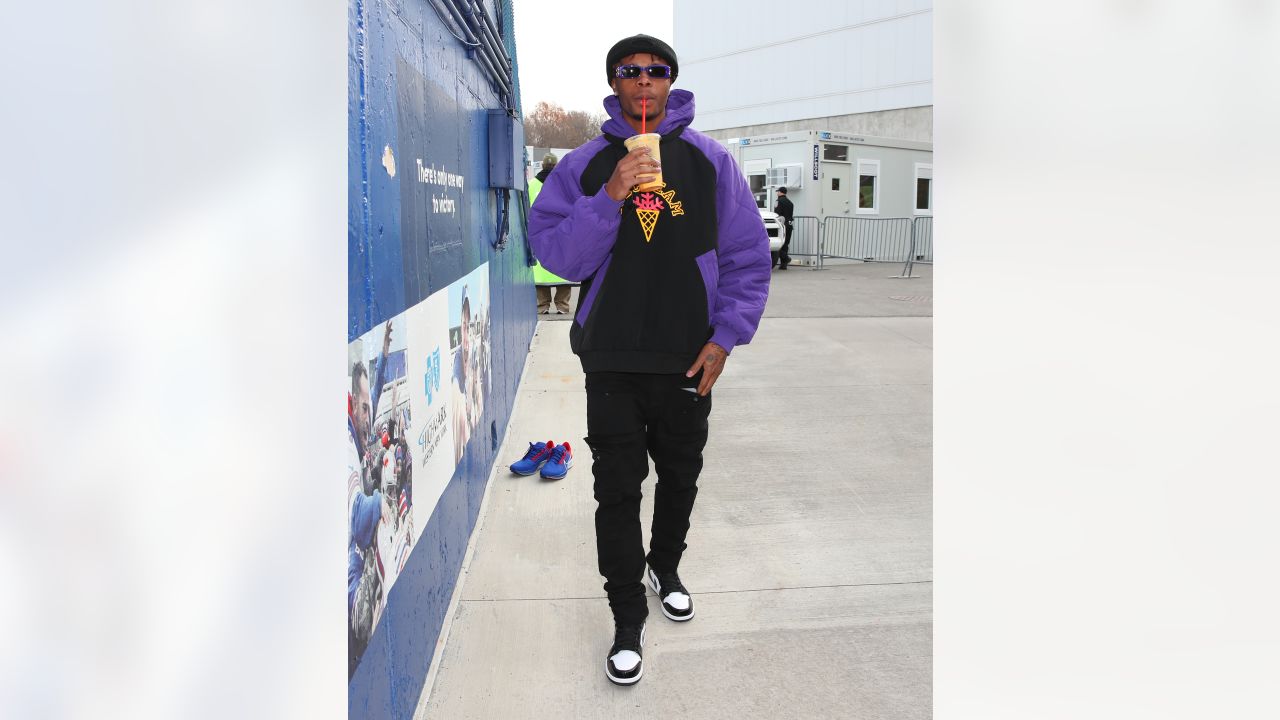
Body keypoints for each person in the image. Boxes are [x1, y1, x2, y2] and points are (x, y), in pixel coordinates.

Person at [528, 34, 770, 686]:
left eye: (655, 71)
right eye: (630, 72)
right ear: (615, 82)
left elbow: (748, 259)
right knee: (616, 492)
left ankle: (666, 565)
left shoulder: (712, 162)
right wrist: (607, 196)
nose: (643, 81)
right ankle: (627, 618)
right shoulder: (584, 162)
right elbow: (558, 256)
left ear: (670, 81)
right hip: (611, 359)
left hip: (690, 359)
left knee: (681, 478)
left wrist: (725, 337)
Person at [528, 154, 575, 314]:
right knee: (564, 267)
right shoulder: (564, 183)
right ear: (556, 165)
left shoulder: (532, 185)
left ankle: (543, 306)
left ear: (542, 165)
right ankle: (562, 305)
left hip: (540, 234)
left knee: (541, 273)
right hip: (562, 233)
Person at [773, 186, 794, 270]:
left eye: (777, 191)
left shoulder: (778, 201)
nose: (777, 193)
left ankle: (786, 258)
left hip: (782, 225)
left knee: (779, 243)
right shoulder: (790, 202)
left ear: (781, 192)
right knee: (785, 244)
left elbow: (777, 214)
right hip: (789, 225)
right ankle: (783, 264)